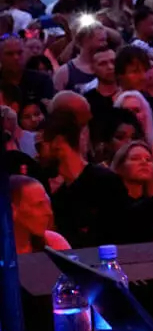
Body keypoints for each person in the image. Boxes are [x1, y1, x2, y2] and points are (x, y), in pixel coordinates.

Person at [44, 106, 128, 248]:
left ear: (58, 143)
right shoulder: (58, 197)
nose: (39, 152)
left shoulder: (107, 183)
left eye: (42, 144)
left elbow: (122, 234)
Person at [10, 174, 70, 254]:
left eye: (47, 204)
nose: (48, 212)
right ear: (11, 210)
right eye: (38, 205)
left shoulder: (54, 243)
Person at [53, 19, 107, 93]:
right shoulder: (65, 72)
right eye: (96, 30)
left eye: (101, 29)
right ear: (84, 38)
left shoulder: (112, 66)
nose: (102, 32)